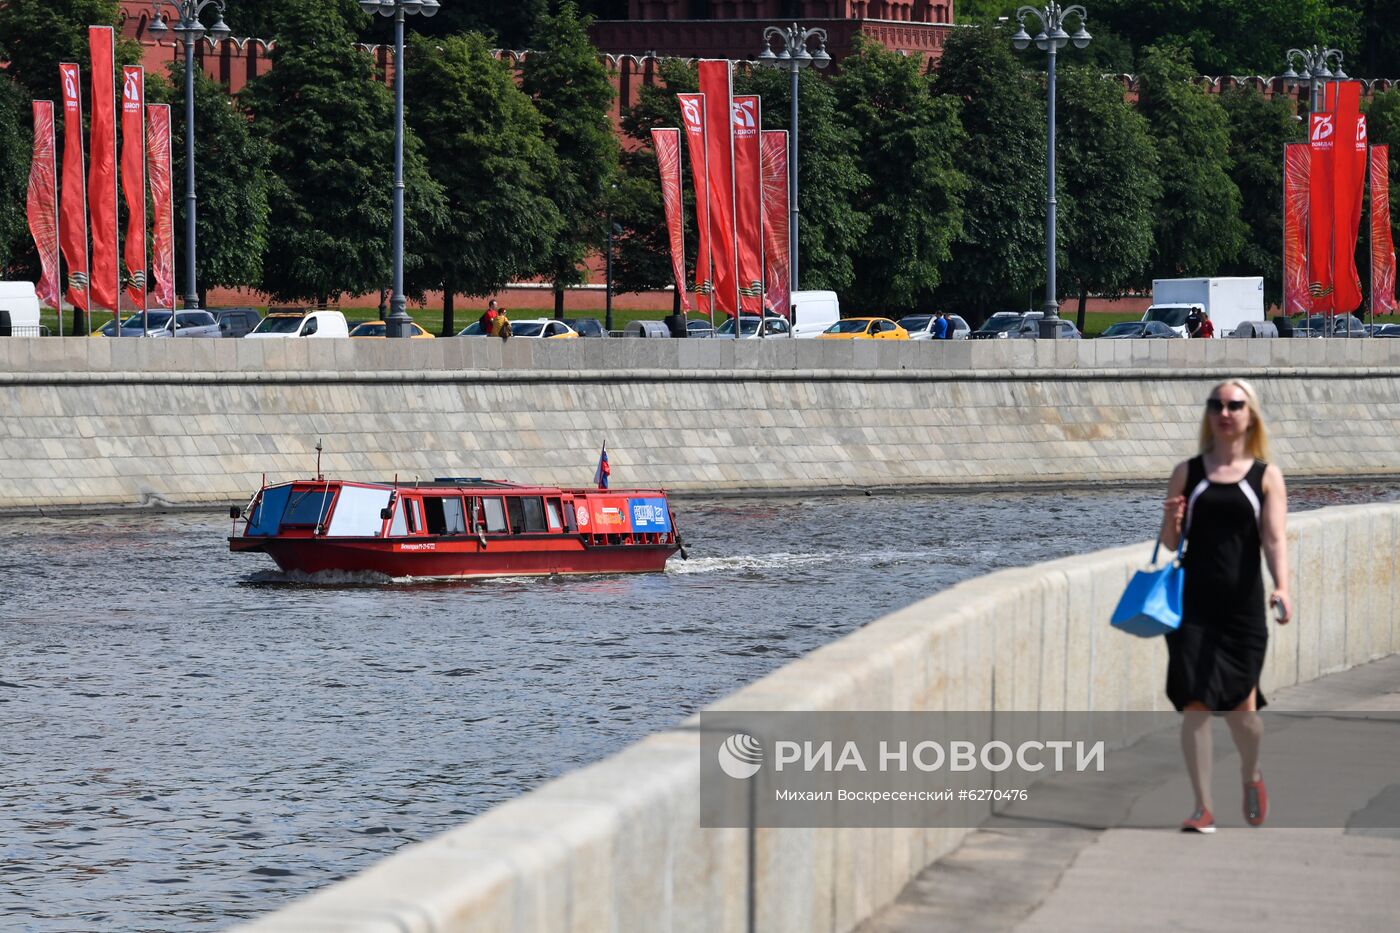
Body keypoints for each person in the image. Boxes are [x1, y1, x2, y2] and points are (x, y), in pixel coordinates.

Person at [1159, 379, 1290, 834]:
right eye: (1216, 404)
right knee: (1194, 704)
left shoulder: (1265, 476)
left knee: (1243, 714)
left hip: (1243, 609)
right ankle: (1203, 808)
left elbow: (1273, 539)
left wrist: (1283, 587)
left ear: (1249, 415)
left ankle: (1251, 775)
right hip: (1192, 606)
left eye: (1234, 405)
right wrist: (1171, 520)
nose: (1224, 412)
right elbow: (1170, 544)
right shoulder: (1187, 472)